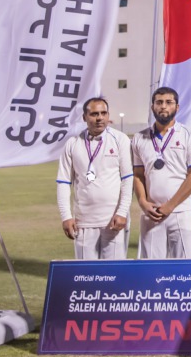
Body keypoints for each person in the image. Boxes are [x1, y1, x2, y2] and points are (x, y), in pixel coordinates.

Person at [132, 87, 191, 258]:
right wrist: (142, 202)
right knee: (150, 270)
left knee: (186, 269)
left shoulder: (190, 135)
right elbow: (138, 175)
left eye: (168, 102)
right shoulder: (139, 138)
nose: (163, 106)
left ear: (177, 107)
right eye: (159, 102)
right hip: (152, 212)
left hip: (182, 212)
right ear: (152, 107)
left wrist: (170, 206)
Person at [56, 97, 133, 259]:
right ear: (84, 117)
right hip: (83, 222)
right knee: (86, 276)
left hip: (113, 221)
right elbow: (63, 183)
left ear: (108, 115)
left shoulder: (120, 140)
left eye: (103, 113)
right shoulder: (72, 143)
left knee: (115, 276)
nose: (100, 118)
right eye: (94, 114)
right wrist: (66, 216)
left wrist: (122, 212)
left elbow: (127, 179)